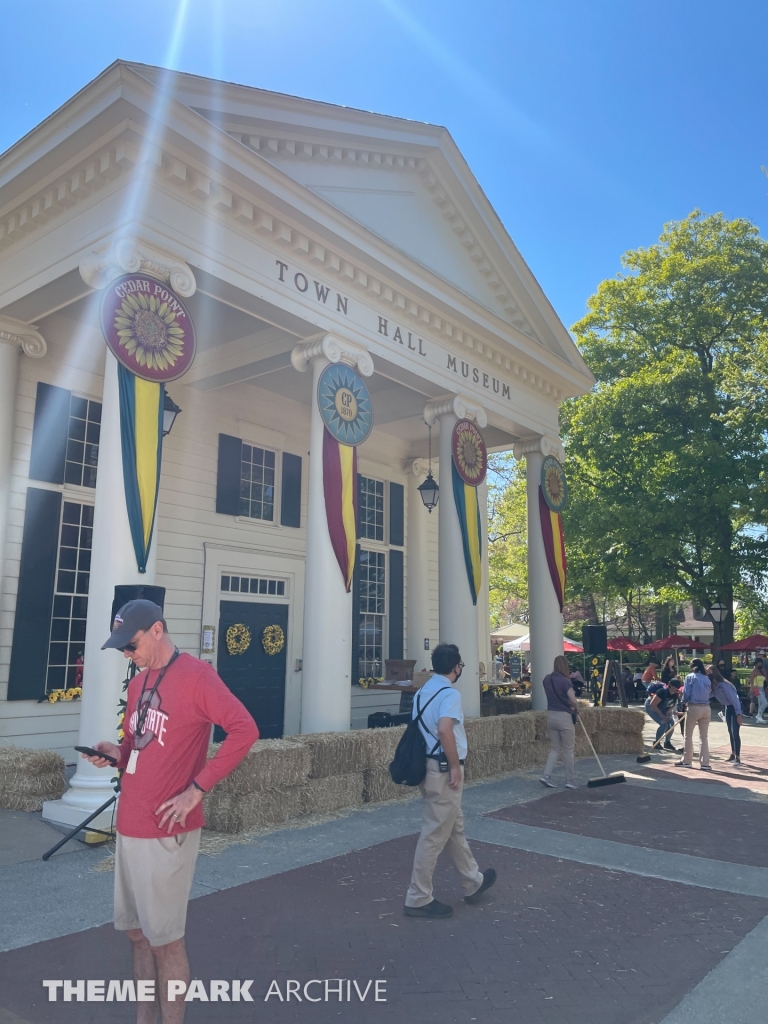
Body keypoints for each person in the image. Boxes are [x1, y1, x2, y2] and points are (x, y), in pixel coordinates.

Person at [82, 600, 259, 1024]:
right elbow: (139, 747)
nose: (127, 653)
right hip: (130, 824)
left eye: (132, 644)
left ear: (157, 630)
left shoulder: (198, 677)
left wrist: (197, 790)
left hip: (165, 830)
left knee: (165, 941)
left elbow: (244, 730)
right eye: (122, 647)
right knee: (136, 934)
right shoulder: (138, 684)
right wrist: (116, 754)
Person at [404, 643, 496, 919]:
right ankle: (418, 897)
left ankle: (472, 881)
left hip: (428, 766)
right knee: (434, 834)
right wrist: (455, 766)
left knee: (453, 826)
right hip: (444, 769)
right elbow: (445, 729)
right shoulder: (449, 694)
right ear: (456, 667)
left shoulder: (422, 692)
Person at [540, 655, 580, 790]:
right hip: (564, 717)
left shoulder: (547, 679)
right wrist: (576, 709)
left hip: (551, 715)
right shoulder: (565, 681)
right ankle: (570, 780)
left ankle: (546, 775)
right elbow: (573, 700)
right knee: (568, 750)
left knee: (555, 748)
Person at [676, 658, 712, 771]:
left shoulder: (690, 677)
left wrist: (683, 702)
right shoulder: (707, 679)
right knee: (704, 736)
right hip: (706, 707)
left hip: (694, 706)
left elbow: (686, 693)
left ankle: (687, 760)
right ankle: (705, 763)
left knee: (688, 735)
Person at [708, 665, 743, 765]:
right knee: (730, 731)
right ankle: (733, 753)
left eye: (708, 673)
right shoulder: (715, 686)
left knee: (735, 732)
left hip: (734, 707)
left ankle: (738, 757)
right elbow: (709, 695)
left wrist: (738, 714)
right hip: (727, 707)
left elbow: (734, 699)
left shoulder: (724, 685)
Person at [644, 677, 683, 751]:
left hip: (664, 708)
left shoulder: (675, 694)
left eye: (678, 687)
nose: (677, 689)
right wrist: (662, 716)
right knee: (664, 724)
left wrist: (667, 714)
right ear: (670, 685)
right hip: (652, 707)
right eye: (675, 687)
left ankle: (667, 743)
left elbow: (672, 705)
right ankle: (656, 743)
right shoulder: (662, 692)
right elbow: (653, 704)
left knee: (671, 723)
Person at [748, 659, 768, 723]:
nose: (760, 665)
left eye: (761, 663)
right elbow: (751, 680)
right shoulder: (754, 671)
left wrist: (764, 673)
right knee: (765, 703)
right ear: (756, 664)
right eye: (759, 663)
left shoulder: (762, 671)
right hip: (756, 688)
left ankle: (759, 718)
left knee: (760, 703)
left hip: (762, 688)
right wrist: (751, 688)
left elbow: (766, 680)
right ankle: (758, 715)